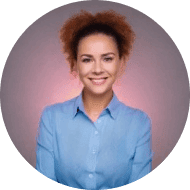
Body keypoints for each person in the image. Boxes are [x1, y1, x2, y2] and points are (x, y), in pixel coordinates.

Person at [35, 9, 152, 190]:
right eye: (87, 59)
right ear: (75, 64)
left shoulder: (139, 123)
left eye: (107, 58)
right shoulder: (51, 118)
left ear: (121, 63)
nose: (97, 69)